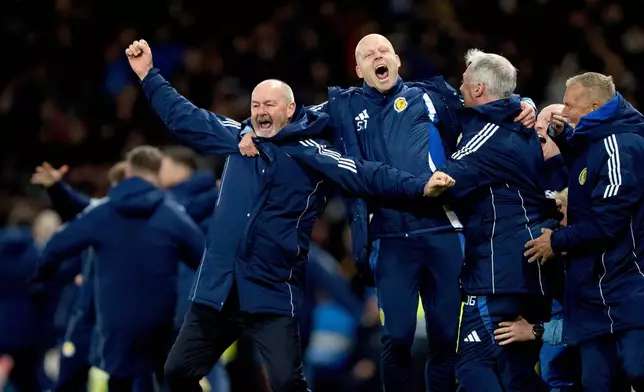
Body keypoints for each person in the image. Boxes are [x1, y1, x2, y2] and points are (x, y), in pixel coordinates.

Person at [125, 38, 448, 392]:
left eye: (270, 105)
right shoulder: (237, 138)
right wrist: (147, 74)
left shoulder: (313, 154)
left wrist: (419, 186)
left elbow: (366, 172)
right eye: (256, 105)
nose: (261, 111)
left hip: (271, 290)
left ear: (291, 109)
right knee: (177, 372)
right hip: (219, 289)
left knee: (286, 384)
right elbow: (184, 116)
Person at [240, 33, 537, 392]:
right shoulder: (342, 106)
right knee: (396, 338)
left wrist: (523, 103)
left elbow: (486, 97)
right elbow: (289, 117)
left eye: (383, 51)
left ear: (397, 60)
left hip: (443, 230)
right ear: (358, 69)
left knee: (446, 339)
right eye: (368, 55)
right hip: (390, 237)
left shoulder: (432, 95)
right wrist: (247, 127)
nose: (377, 57)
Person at [427, 49, 560, 392]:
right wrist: (522, 101)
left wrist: (386, 181)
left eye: (464, 81)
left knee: (471, 367)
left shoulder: (487, 136)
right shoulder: (523, 126)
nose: (459, 86)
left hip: (498, 275)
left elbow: (444, 180)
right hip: (531, 274)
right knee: (516, 375)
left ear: (478, 90)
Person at [31, 146, 205, 392]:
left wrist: (41, 276)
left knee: (119, 380)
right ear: (158, 173)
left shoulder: (103, 213)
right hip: (160, 317)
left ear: (128, 172)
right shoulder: (172, 215)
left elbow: (56, 246)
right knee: (165, 378)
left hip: (113, 319)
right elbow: (203, 258)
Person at [525, 72, 644, 392]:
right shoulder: (594, 141)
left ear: (594, 107)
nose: (563, 111)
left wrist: (558, 241)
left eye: (568, 104)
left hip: (626, 285)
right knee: (595, 382)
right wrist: (565, 138)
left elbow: (610, 219)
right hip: (593, 291)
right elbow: (589, 171)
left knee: (637, 369)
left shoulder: (622, 145)